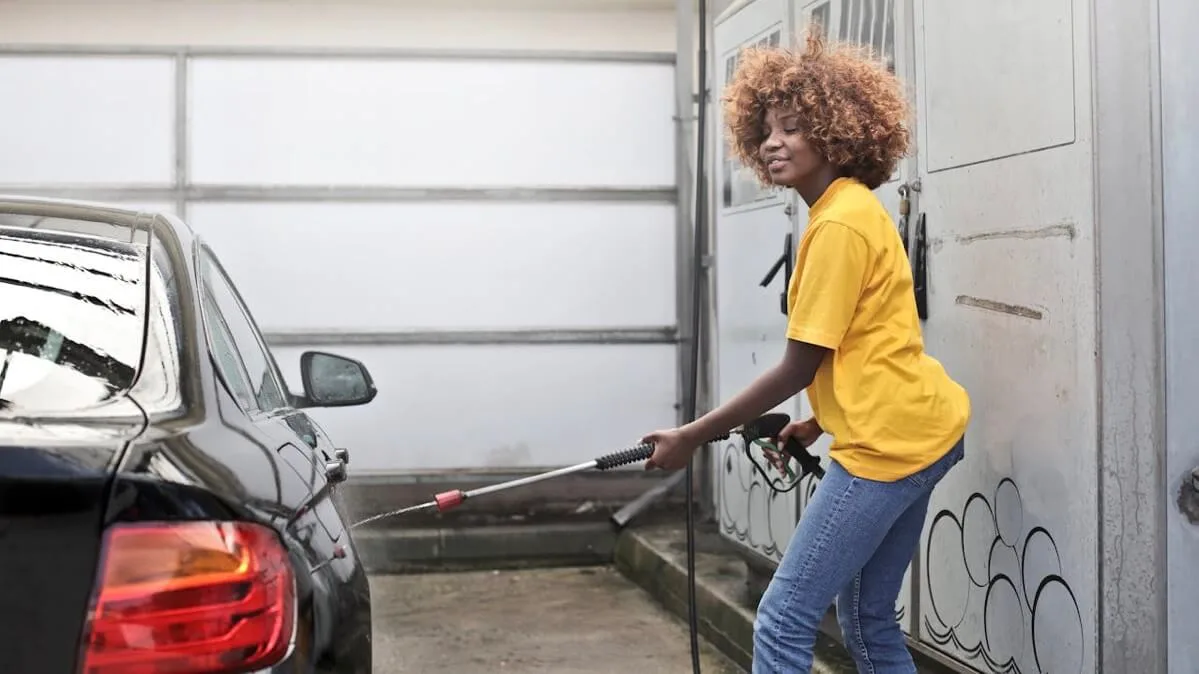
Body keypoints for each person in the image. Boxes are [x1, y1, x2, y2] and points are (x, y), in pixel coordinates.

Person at [638, 25, 971, 674]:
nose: (772, 142)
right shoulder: (848, 210)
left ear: (835, 129)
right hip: (921, 429)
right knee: (867, 621)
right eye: (764, 130)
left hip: (888, 448)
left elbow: (799, 362)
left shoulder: (839, 223)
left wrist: (689, 435)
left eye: (791, 127)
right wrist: (821, 419)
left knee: (783, 618)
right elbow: (872, 340)